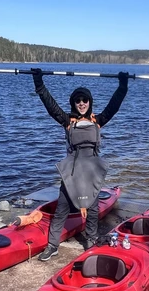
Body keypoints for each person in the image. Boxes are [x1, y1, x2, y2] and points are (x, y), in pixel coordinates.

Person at [32, 68, 129, 261]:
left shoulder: (98, 120)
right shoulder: (67, 121)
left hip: (91, 171)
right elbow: (50, 106)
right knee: (62, 209)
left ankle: (91, 240)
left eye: (85, 100)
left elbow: (114, 106)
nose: (82, 103)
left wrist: (122, 85)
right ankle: (53, 245)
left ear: (90, 102)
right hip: (73, 172)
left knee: (92, 209)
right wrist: (39, 83)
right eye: (78, 101)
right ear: (73, 103)